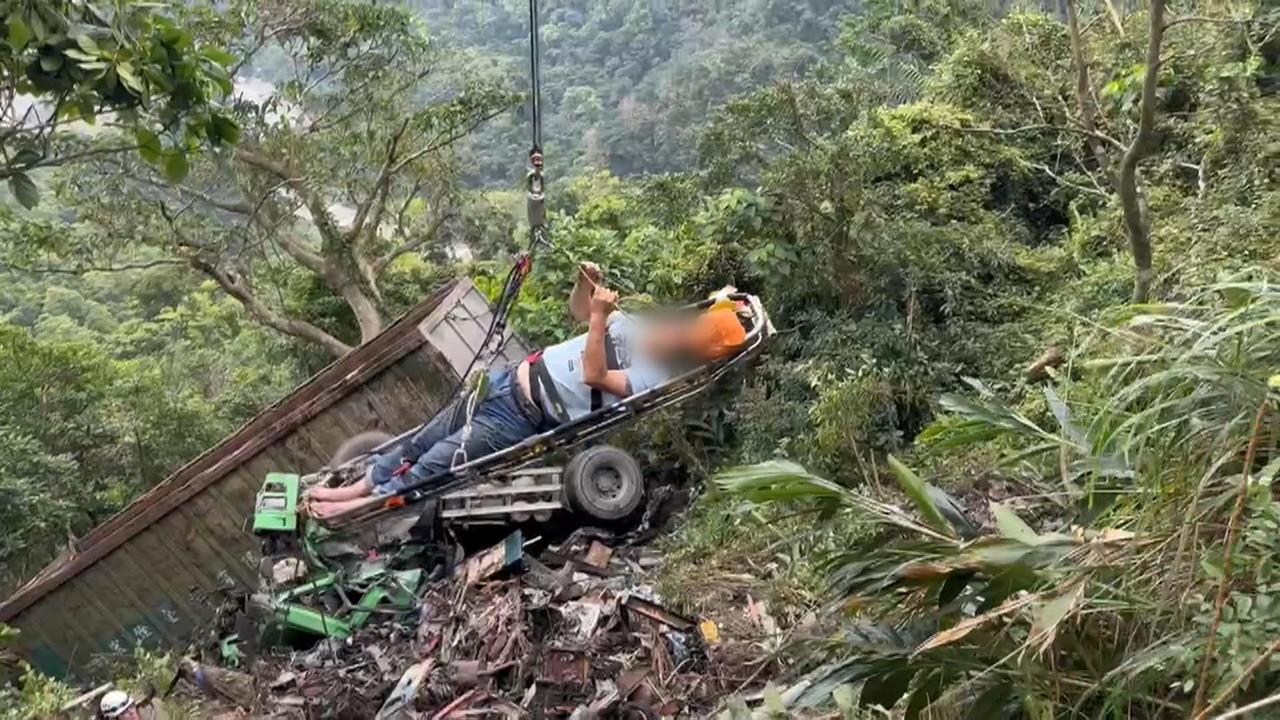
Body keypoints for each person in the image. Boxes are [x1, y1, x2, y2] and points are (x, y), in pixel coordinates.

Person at [305, 262, 747, 519]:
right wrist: (585, 285)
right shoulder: (642, 325)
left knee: (436, 466)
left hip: (520, 418)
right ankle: (351, 490)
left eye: (689, 334)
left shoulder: (653, 375)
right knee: (422, 440)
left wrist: (598, 317)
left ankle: (348, 514)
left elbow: (596, 375)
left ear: (691, 346)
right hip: (507, 380)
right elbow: (581, 311)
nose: (677, 330)